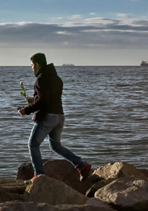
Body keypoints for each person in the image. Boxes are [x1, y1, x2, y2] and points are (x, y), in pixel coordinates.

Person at [18, 53, 92, 181]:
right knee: (55, 146)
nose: (31, 68)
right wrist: (34, 99)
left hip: (48, 117)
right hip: (60, 116)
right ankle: (81, 165)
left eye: (31, 65)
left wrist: (26, 110)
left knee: (33, 145)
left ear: (37, 64)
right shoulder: (57, 78)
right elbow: (49, 97)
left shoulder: (41, 79)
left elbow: (43, 102)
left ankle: (40, 175)